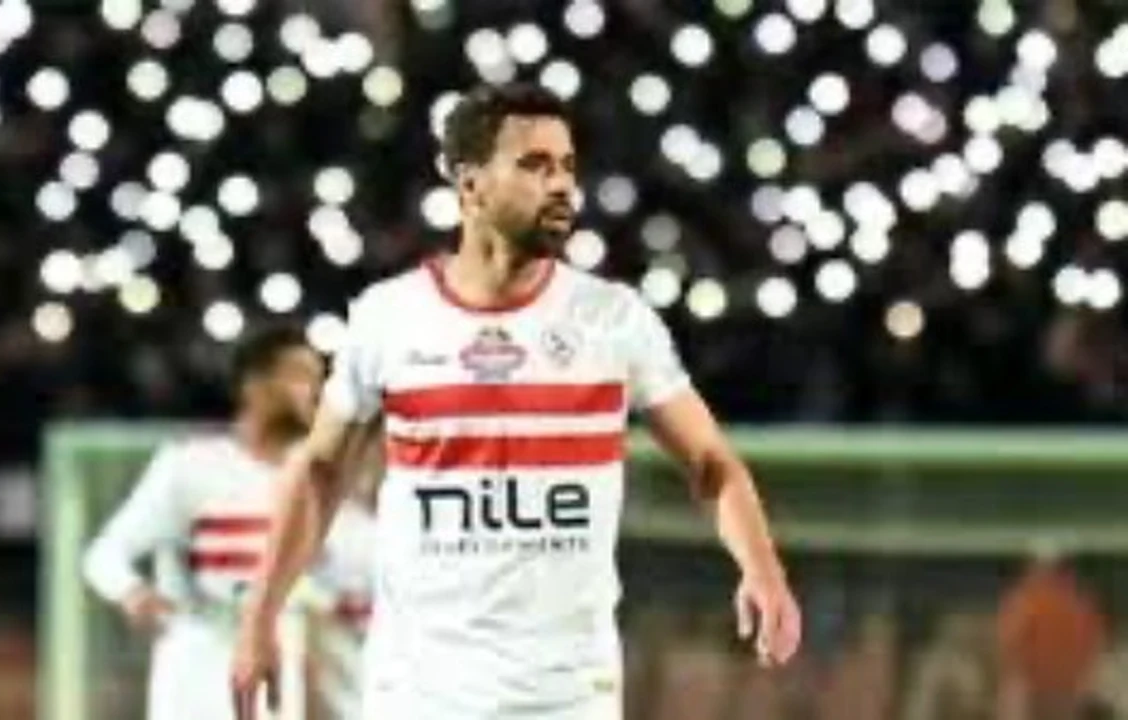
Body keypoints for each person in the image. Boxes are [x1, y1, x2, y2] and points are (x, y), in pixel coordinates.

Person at [231, 81, 801, 720]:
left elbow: (710, 462)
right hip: (420, 692)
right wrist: (260, 618)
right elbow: (318, 471)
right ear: (470, 184)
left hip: (566, 695)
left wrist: (763, 568)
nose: (561, 185)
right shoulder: (389, 317)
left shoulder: (613, 319)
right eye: (535, 165)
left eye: (567, 166)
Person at [83, 324, 375, 720]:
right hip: (197, 670)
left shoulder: (317, 480)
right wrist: (132, 592)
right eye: (298, 375)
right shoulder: (191, 465)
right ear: (253, 387)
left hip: (277, 669)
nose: (315, 390)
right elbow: (104, 554)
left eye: (319, 378)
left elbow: (356, 567)